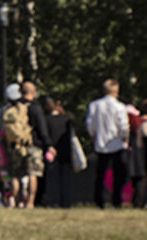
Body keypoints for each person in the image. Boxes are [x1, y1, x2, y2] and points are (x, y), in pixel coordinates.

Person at [0, 81, 43, 210]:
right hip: (31, 144)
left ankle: (15, 201)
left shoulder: (8, 110)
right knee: (32, 174)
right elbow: (41, 128)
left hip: (14, 146)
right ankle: (29, 202)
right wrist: (48, 144)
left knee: (15, 175)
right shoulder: (34, 107)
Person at [85, 79, 130, 209]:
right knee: (118, 174)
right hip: (116, 143)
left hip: (101, 143)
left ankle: (99, 201)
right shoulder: (119, 106)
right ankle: (116, 201)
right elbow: (123, 125)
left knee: (100, 175)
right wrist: (125, 137)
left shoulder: (95, 105)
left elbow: (90, 123)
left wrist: (93, 135)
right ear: (117, 91)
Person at [37, 96, 77, 209]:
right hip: (65, 152)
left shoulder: (45, 120)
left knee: (52, 179)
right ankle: (66, 201)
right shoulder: (66, 120)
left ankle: (53, 201)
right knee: (66, 179)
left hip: (51, 153)